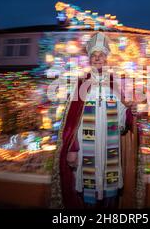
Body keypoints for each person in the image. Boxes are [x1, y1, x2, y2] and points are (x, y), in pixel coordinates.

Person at [51, 32, 133, 209]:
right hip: (87, 146)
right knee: (88, 193)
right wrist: (72, 148)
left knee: (109, 190)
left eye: (101, 55)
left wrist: (128, 108)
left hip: (109, 144)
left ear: (106, 58)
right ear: (89, 59)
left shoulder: (114, 84)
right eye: (94, 55)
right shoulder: (81, 83)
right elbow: (72, 121)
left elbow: (123, 117)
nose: (97, 58)